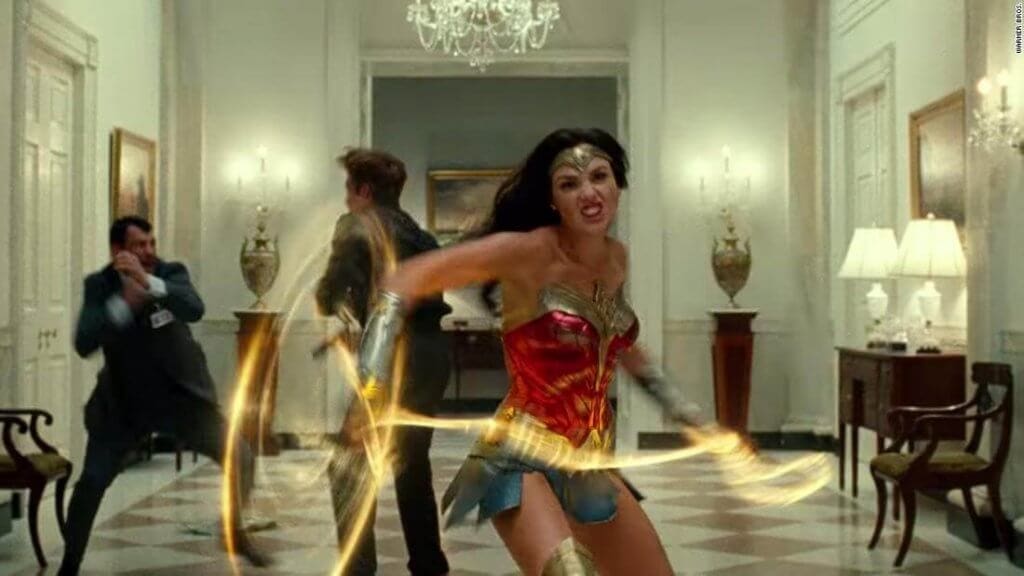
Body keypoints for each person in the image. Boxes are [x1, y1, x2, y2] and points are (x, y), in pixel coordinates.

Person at [351, 128, 709, 575]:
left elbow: (621, 344)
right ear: (552, 200)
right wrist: (370, 389)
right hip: (521, 458)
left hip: (588, 460)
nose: (589, 192)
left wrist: (689, 414)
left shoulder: (616, 259)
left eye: (599, 176)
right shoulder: (529, 251)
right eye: (569, 184)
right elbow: (402, 281)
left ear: (618, 183)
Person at [59, 216, 268, 575]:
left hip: (182, 398)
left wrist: (149, 282)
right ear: (117, 251)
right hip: (123, 405)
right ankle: (69, 565)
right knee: (91, 482)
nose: (148, 251)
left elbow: (194, 308)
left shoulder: (171, 274)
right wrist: (124, 303)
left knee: (242, 456)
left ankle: (234, 531)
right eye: (138, 245)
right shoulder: (100, 285)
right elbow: (84, 341)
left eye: (151, 243)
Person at [316, 148, 453, 576]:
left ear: (364, 190)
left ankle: (358, 570)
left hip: (391, 360)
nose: (346, 199)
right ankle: (429, 566)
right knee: (411, 465)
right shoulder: (423, 237)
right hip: (431, 357)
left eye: (349, 189)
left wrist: (337, 300)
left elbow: (328, 295)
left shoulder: (354, 225)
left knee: (348, 468)